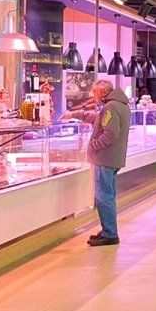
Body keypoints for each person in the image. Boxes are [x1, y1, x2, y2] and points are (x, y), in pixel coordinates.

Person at [63, 80, 130, 247]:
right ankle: (108, 229)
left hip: (105, 158)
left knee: (103, 197)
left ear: (101, 92)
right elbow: (98, 121)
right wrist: (75, 114)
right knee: (108, 196)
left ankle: (110, 233)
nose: (94, 96)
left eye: (95, 93)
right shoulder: (119, 105)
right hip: (112, 158)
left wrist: (92, 147)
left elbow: (110, 134)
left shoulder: (111, 107)